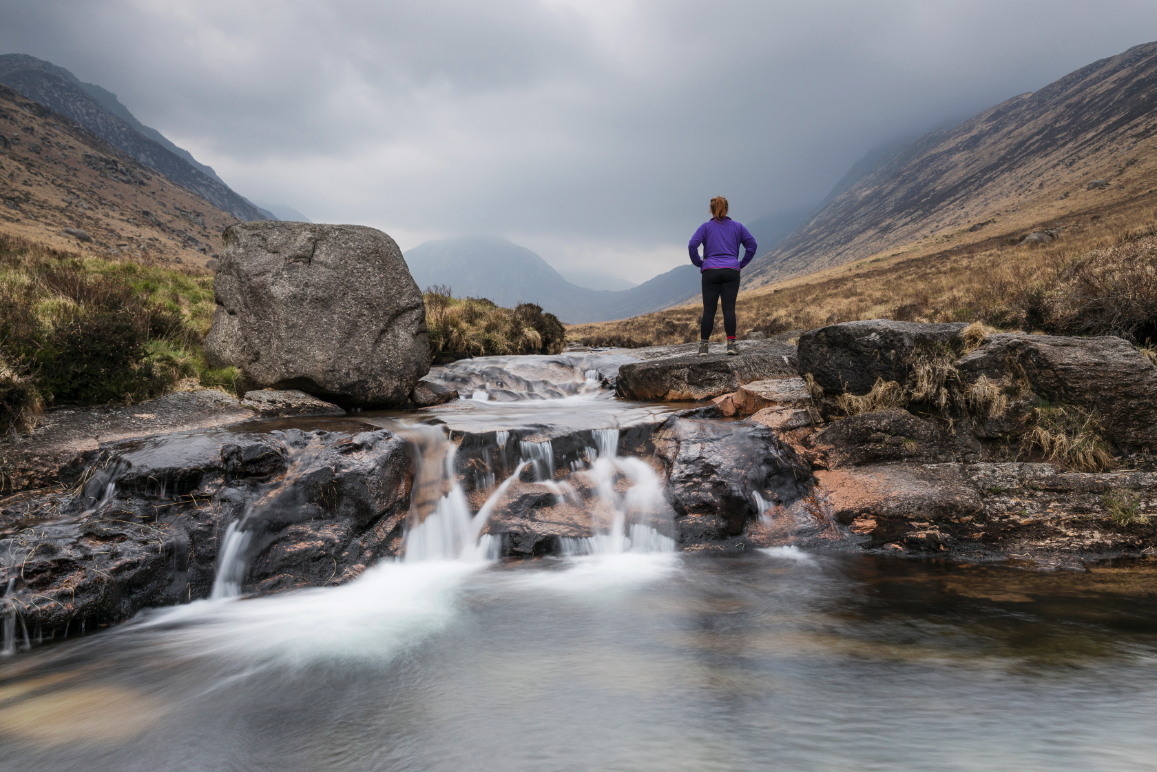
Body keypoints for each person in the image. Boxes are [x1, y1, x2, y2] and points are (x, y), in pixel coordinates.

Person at [688, 196, 757, 356]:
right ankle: (731, 346)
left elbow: (692, 245)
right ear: (727, 209)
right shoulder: (738, 227)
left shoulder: (705, 227)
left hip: (710, 271)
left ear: (711, 210)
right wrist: (740, 264)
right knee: (729, 308)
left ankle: (704, 348)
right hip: (731, 271)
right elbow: (752, 246)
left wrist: (700, 263)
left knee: (709, 310)